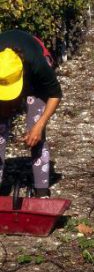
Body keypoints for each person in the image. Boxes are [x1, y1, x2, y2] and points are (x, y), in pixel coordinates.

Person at [0, 29, 62, 197]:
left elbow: (55, 94)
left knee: (36, 131)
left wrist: (39, 125)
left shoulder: (37, 63)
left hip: (36, 85)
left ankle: (42, 190)